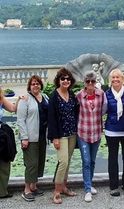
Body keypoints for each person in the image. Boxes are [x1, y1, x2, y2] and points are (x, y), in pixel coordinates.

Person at [47, 68, 79, 205]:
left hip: (72, 133)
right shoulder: (54, 96)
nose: (65, 81)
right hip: (60, 135)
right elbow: (51, 118)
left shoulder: (72, 94)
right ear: (58, 81)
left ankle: (64, 187)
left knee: (68, 161)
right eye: (63, 79)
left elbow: (76, 112)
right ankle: (56, 192)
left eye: (68, 79)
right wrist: (54, 137)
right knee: (63, 162)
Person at [104, 68, 124, 197]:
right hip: (111, 131)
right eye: (113, 77)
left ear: (122, 79)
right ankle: (113, 186)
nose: (115, 79)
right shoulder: (106, 94)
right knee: (113, 159)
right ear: (110, 80)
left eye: (118, 77)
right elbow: (103, 110)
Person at [16, 75, 49, 202]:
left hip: (42, 136)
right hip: (30, 137)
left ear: (41, 85)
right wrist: (24, 137)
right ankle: (26, 190)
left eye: (38, 84)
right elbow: (20, 120)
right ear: (29, 86)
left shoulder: (45, 97)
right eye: (33, 84)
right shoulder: (25, 100)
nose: (36, 86)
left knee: (40, 161)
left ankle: (34, 186)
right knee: (31, 164)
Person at [76, 70, 107, 202]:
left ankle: (90, 183)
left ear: (95, 82)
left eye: (92, 81)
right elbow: (74, 112)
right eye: (87, 81)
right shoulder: (79, 96)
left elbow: (104, 109)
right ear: (84, 82)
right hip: (83, 133)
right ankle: (87, 189)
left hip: (96, 132)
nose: (90, 83)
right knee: (86, 161)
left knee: (93, 161)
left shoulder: (101, 95)